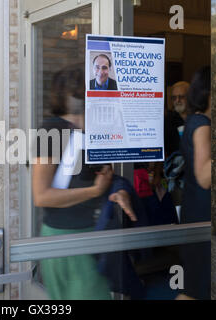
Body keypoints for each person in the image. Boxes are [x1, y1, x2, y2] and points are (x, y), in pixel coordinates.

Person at [32, 66, 136, 300]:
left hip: (93, 234)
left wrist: (114, 191)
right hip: (65, 239)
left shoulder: (94, 129)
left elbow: (105, 177)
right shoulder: (52, 129)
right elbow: (41, 196)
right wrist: (93, 191)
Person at [176, 66, 211, 300]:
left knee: (194, 284)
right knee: (198, 284)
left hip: (195, 209)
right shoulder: (202, 124)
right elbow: (205, 177)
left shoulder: (195, 121)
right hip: (203, 211)